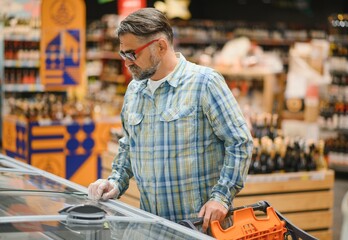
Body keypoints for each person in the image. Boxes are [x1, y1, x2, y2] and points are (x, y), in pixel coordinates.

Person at [88, 7, 253, 234]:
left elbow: (240, 142)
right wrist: (114, 182)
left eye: (131, 53)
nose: (126, 62)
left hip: (199, 228)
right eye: (123, 54)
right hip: (152, 228)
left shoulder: (204, 83)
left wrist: (221, 198)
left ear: (160, 46)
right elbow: (129, 146)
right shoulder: (135, 90)